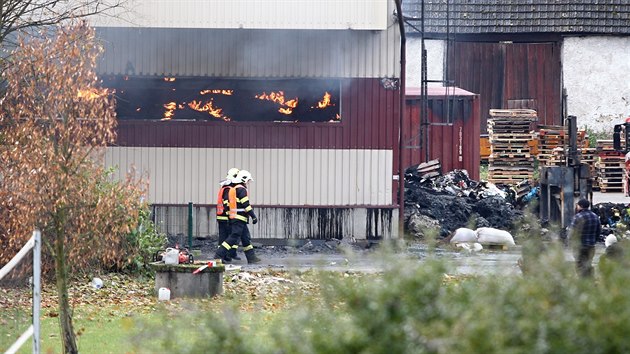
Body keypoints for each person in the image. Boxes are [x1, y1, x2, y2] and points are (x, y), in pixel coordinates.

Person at [214, 170, 261, 264]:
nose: (248, 183)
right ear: (244, 179)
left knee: (245, 237)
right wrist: (253, 216)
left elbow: (228, 204)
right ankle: (219, 255)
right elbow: (246, 204)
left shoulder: (233, 189)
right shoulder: (240, 189)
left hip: (237, 217)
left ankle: (251, 257)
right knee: (234, 236)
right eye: (248, 181)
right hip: (239, 217)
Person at [568, 198, 601, 278]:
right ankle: (590, 281)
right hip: (591, 246)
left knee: (580, 265)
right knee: (588, 264)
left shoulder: (577, 217)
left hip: (580, 246)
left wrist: (570, 243)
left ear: (581, 206)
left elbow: (572, 233)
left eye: (578, 205)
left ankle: (583, 283)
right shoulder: (595, 216)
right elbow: (598, 231)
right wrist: (594, 241)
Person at [215, 168, 240, 261]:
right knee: (225, 237)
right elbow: (227, 203)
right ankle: (222, 256)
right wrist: (230, 215)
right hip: (225, 217)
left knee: (224, 237)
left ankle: (225, 255)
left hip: (222, 216)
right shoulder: (228, 189)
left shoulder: (225, 188)